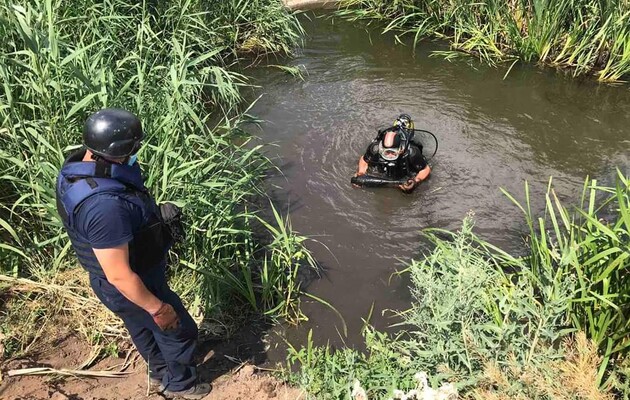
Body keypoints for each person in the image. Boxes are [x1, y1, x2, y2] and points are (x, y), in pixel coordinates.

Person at [55, 108, 211, 399]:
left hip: (116, 281)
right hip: (132, 282)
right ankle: (182, 386)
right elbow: (120, 275)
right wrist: (158, 308)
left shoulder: (77, 168)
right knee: (177, 328)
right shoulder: (104, 207)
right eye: (134, 148)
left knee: (141, 327)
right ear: (116, 151)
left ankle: (159, 372)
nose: (137, 152)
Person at [355, 114, 431, 192]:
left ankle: (406, 129)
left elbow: (425, 169)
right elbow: (364, 160)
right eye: (386, 152)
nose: (390, 156)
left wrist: (416, 181)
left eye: (393, 153)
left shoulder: (412, 153)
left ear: (400, 150)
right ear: (381, 149)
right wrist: (361, 173)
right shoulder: (375, 149)